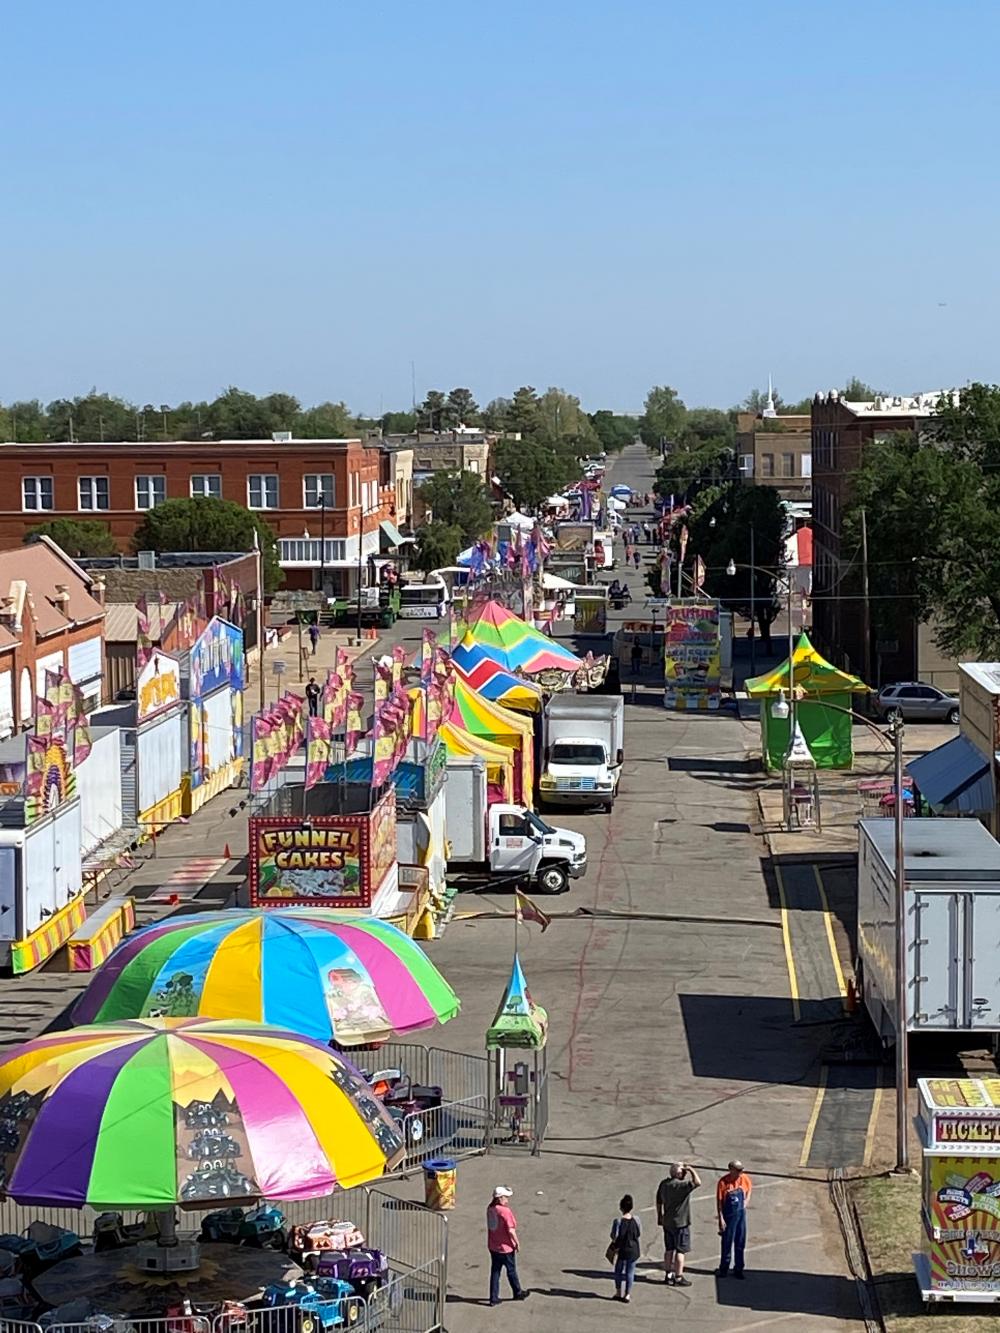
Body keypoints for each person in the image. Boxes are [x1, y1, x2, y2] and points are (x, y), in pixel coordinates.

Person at [656, 1161, 701, 1287]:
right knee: (680, 1251)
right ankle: (678, 1276)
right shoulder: (681, 1187)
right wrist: (691, 1169)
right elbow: (698, 1182)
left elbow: (659, 1201)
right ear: (679, 1173)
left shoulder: (664, 1184)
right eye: (684, 1172)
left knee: (669, 1249)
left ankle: (668, 1274)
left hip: (667, 1222)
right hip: (681, 1223)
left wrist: (659, 1215)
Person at [487, 1186, 530, 1306]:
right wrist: (516, 1242)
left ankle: (493, 1297)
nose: (507, 1200)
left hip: (493, 1246)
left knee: (495, 1272)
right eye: (506, 1197)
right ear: (500, 1198)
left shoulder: (490, 1209)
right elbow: (511, 1230)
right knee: (511, 1270)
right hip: (505, 1247)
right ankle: (517, 1292)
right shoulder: (505, 1211)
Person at [716, 1160, 752, 1279]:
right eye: (738, 1170)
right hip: (729, 1216)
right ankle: (724, 1268)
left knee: (740, 1242)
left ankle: (739, 1269)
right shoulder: (723, 1182)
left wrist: (746, 1202)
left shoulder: (744, 1178)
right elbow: (720, 1202)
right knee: (727, 1242)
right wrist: (721, 1218)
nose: (741, 1172)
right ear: (731, 1170)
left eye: (741, 1170)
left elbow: (749, 1189)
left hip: (741, 1215)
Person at [609, 1194, 641, 1302]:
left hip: (622, 1250)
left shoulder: (618, 1221)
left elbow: (614, 1236)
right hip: (633, 1249)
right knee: (630, 1272)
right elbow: (638, 1233)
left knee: (618, 1271)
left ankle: (618, 1292)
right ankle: (627, 1294)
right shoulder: (636, 1219)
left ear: (621, 1207)